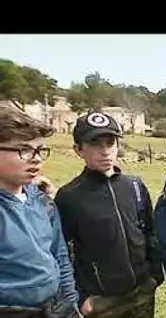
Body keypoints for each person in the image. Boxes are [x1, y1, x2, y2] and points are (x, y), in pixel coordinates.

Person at [54, 111, 163, 318]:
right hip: (101, 301)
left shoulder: (134, 186)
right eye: (96, 144)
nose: (105, 151)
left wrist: (154, 276)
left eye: (110, 142)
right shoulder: (70, 196)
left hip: (141, 291)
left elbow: (150, 232)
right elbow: (62, 252)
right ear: (78, 149)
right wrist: (80, 296)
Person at [0, 105, 81, 317]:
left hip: (52, 308)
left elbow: (60, 258)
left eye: (39, 150)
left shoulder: (44, 203)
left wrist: (70, 306)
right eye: (24, 150)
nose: (36, 158)